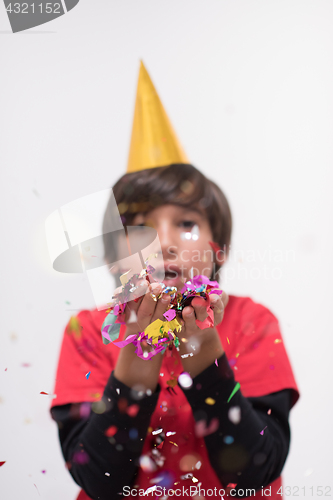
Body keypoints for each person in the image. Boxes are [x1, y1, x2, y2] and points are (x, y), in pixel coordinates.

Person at [50, 63, 299, 500]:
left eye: (185, 223)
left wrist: (202, 349)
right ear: (113, 259)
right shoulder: (87, 332)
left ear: (216, 248)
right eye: (140, 227)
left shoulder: (253, 323)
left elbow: (255, 472)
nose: (164, 243)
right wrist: (137, 358)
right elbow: (98, 482)